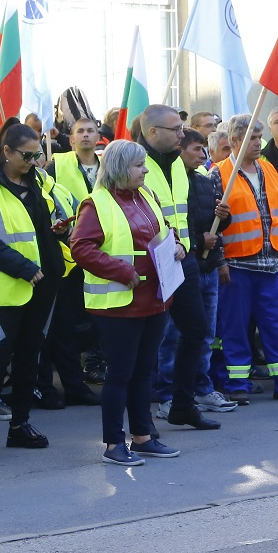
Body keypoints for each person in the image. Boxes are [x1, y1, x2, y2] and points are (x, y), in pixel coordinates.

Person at [69, 139, 181, 465]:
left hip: (154, 299)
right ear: (120, 168)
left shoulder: (146, 195)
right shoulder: (96, 203)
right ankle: (113, 444)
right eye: (139, 165)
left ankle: (143, 437)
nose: (145, 170)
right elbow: (81, 248)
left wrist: (177, 246)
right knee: (120, 374)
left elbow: (162, 231)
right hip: (118, 305)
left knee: (144, 371)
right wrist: (120, 270)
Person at [0, 118, 66, 462]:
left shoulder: (41, 181)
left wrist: (63, 230)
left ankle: (20, 425)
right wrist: (23, 269)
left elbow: (55, 222)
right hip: (3, 289)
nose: (34, 162)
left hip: (44, 284)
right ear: (6, 152)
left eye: (37, 155)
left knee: (29, 360)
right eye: (27, 155)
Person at [139, 104, 224, 428]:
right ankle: (144, 416)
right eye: (175, 129)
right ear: (152, 132)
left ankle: (183, 405)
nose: (182, 134)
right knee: (150, 338)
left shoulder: (178, 163)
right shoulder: (135, 161)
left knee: (196, 330)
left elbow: (183, 214)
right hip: (149, 263)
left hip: (181, 259)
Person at [216, 113, 278, 400]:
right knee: (235, 328)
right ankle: (237, 385)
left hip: (270, 265)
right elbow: (211, 225)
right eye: (251, 138)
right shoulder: (217, 174)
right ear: (234, 141)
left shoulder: (268, 170)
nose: (258, 143)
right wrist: (220, 261)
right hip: (236, 265)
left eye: (258, 137)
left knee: (277, 325)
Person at [154, 129, 235, 414]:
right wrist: (201, 241)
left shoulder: (204, 181)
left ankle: (201, 388)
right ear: (181, 151)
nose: (203, 155)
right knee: (174, 335)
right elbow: (176, 225)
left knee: (204, 333)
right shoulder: (168, 183)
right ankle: (168, 393)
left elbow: (211, 220)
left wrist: (224, 218)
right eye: (197, 149)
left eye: (204, 149)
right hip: (182, 266)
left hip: (207, 267)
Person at [43, 115, 106, 400]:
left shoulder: (109, 165)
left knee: (102, 320)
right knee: (67, 324)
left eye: (90, 131)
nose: (85, 136)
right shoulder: (56, 165)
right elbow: (47, 202)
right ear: (70, 139)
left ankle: (101, 369)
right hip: (71, 258)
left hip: (106, 255)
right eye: (79, 131)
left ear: (98, 136)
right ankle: (73, 383)